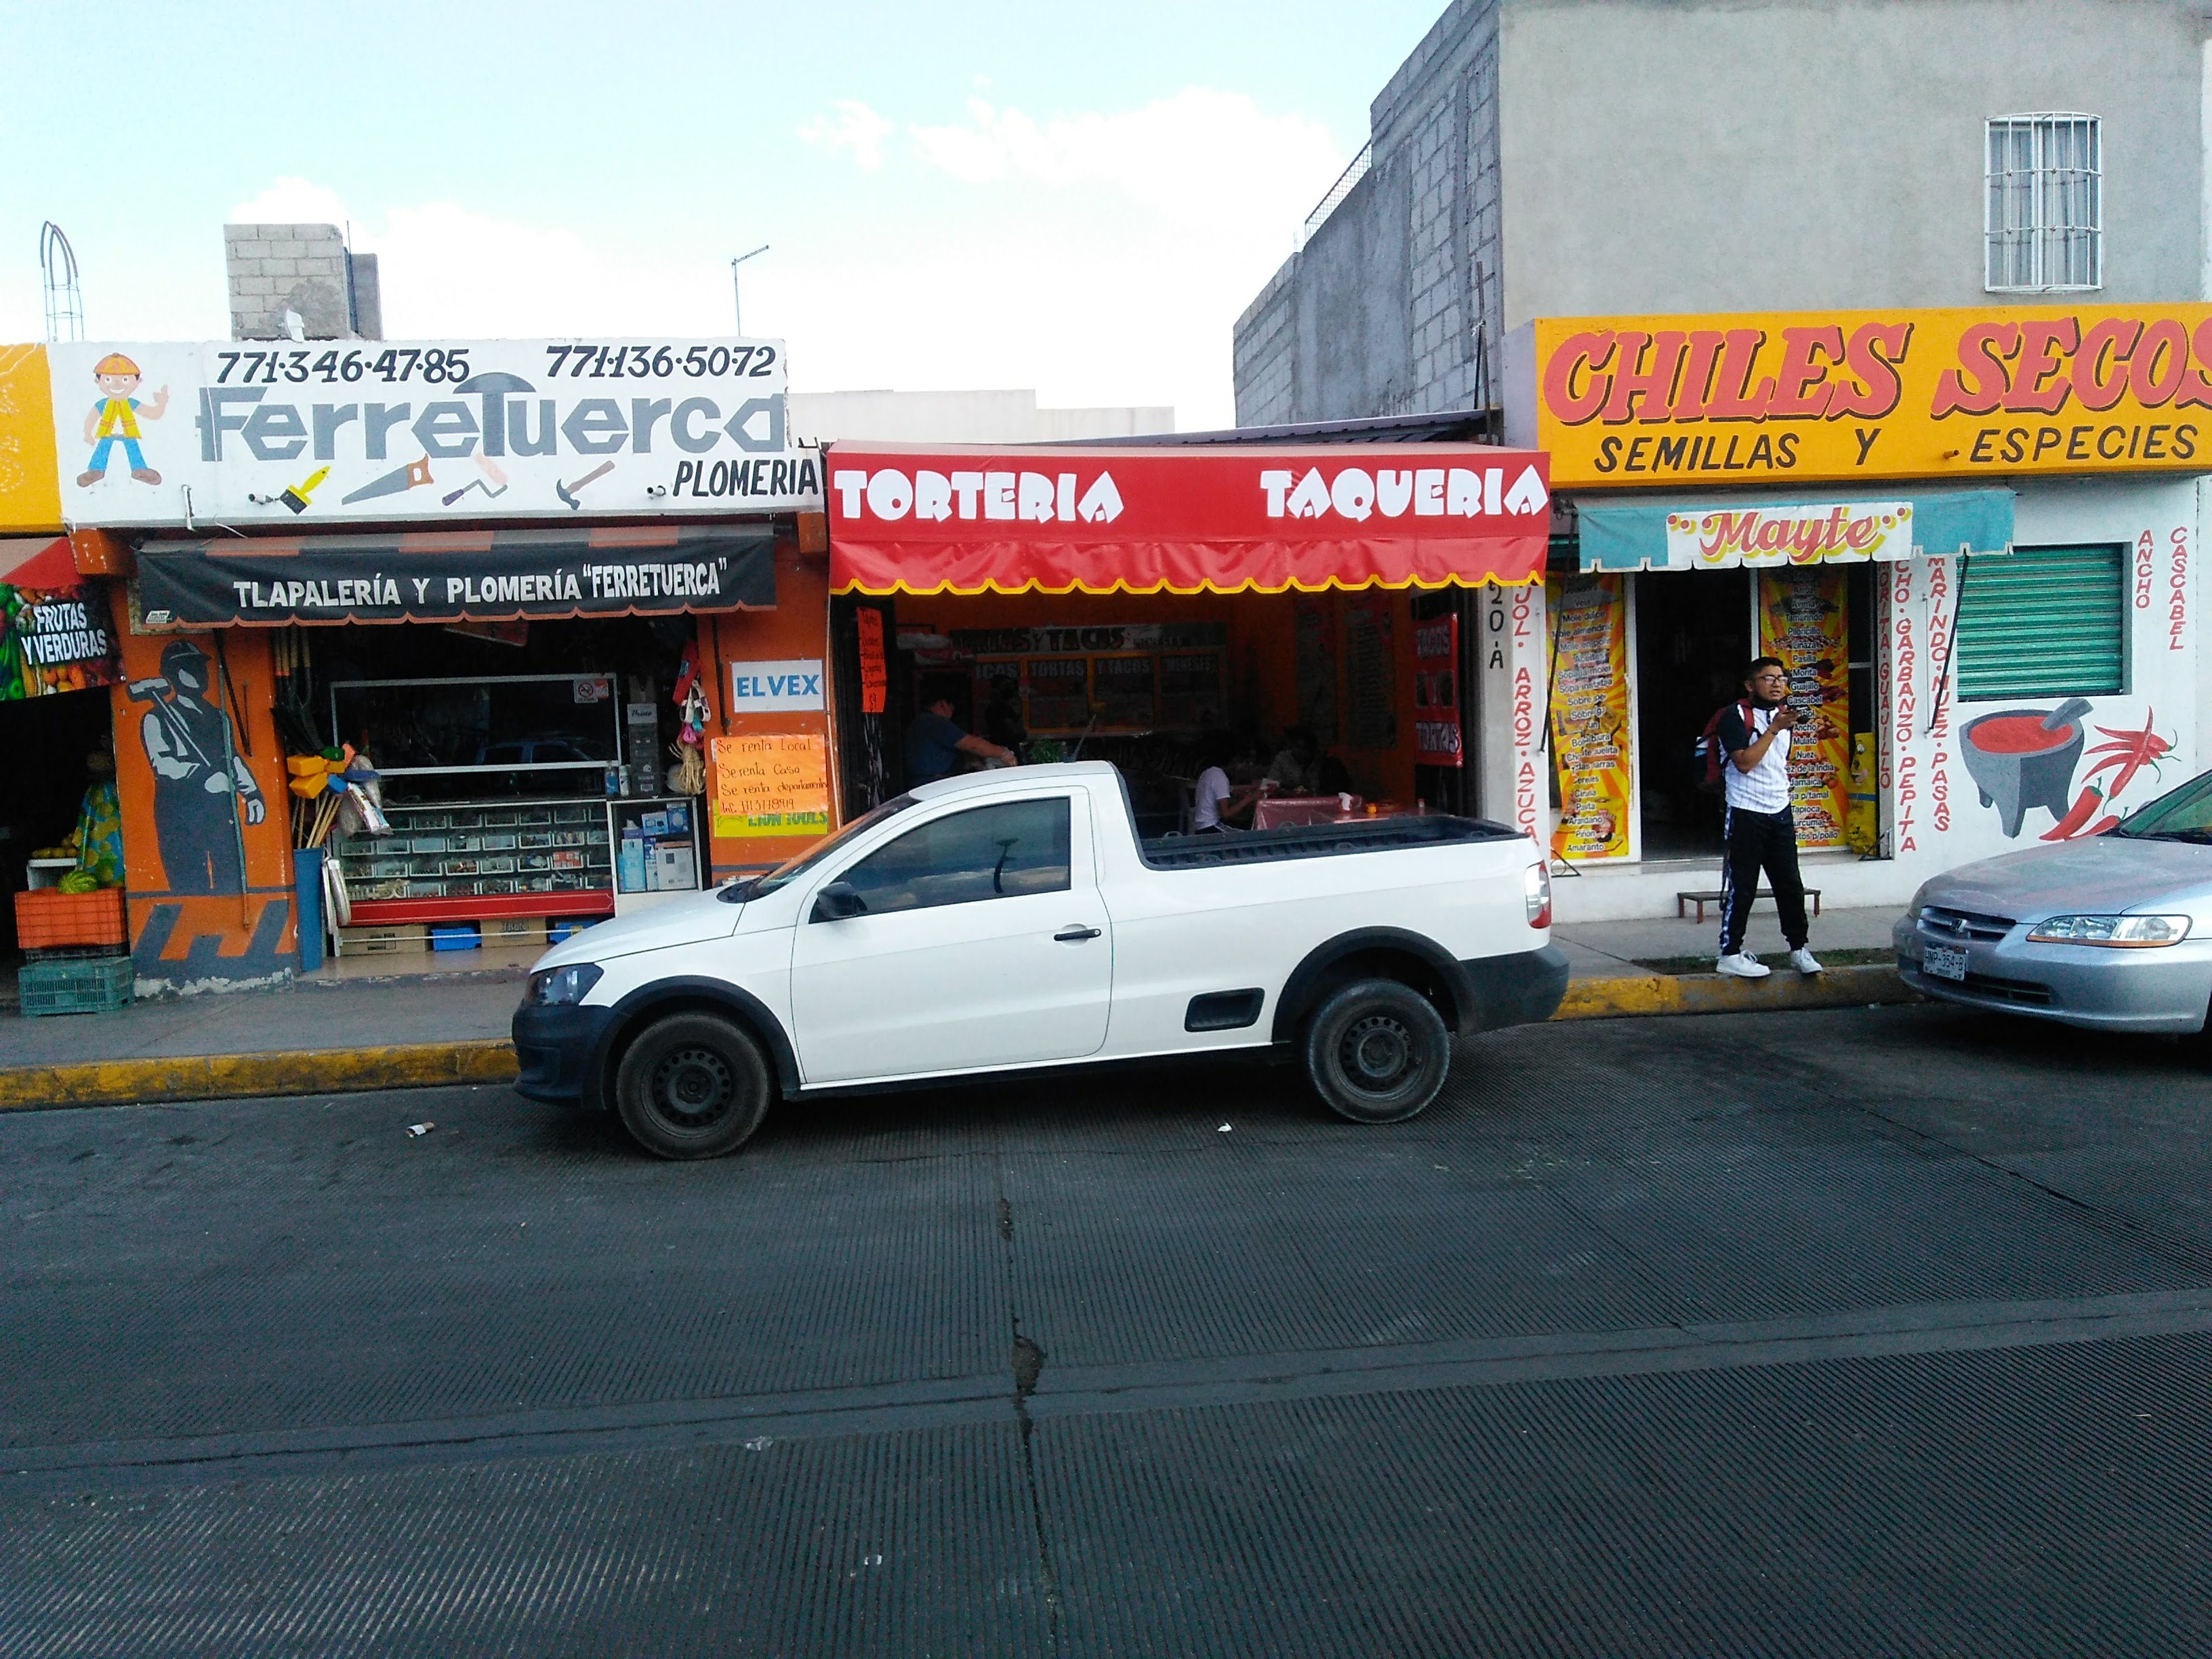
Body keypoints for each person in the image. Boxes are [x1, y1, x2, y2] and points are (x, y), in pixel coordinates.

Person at [1715, 656, 1821, 979]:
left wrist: (1779, 725)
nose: (1777, 684)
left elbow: (1778, 762)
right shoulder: (1733, 716)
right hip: (1745, 810)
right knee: (1743, 886)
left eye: (1781, 678)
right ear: (1750, 685)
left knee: (1790, 884)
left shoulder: (1785, 716)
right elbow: (1745, 763)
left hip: (1779, 809)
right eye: (1768, 678)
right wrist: (1774, 729)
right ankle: (1730, 953)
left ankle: (1799, 948)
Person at [906, 686, 1015, 786]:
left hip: (927, 782)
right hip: (934, 784)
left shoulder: (920, 722)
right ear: (943, 704)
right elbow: (972, 745)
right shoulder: (934, 722)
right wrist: (1003, 753)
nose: (951, 715)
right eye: (952, 709)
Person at [1191, 735, 1270, 832]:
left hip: (1201, 825)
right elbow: (1226, 814)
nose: (1245, 767)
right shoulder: (1220, 777)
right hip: (1211, 826)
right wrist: (1250, 798)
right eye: (1244, 763)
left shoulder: (1209, 772)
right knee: (1249, 835)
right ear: (1235, 761)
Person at [1267, 725, 1324, 794]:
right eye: (1297, 746)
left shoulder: (1317, 763)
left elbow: (1318, 790)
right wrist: (1287, 789)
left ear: (1311, 750)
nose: (1298, 751)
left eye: (1303, 748)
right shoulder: (1282, 759)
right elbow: (1270, 784)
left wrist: (1308, 787)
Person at [979, 675, 1028, 755]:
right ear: (997, 689)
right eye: (1006, 685)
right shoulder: (999, 708)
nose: (1010, 688)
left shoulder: (1000, 706)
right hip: (1005, 751)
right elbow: (1014, 730)